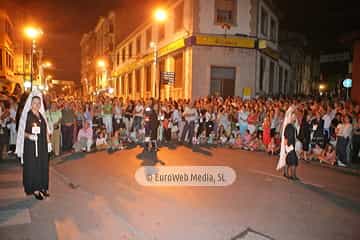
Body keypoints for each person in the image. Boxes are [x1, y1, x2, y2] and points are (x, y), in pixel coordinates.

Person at [15, 91, 50, 200]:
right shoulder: (28, 116)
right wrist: (29, 136)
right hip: (31, 146)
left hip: (42, 146)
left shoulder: (41, 116)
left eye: (39, 103)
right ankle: (35, 189)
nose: (37, 105)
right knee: (34, 167)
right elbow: (21, 132)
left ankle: (42, 187)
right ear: (31, 104)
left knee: (43, 166)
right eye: (35, 103)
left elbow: (45, 130)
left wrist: (48, 142)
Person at [283, 111, 299, 180]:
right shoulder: (289, 126)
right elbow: (285, 136)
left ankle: (286, 173)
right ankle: (293, 175)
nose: (295, 118)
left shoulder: (293, 126)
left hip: (292, 146)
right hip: (290, 146)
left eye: (295, 117)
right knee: (294, 160)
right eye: (293, 117)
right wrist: (287, 147)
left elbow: (294, 137)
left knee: (289, 160)